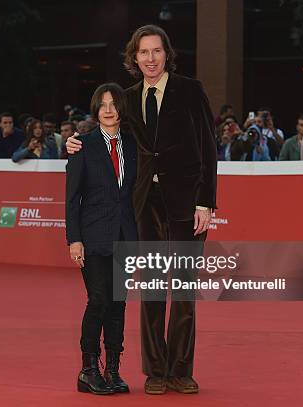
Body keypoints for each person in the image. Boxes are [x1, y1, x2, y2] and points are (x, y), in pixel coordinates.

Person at [66, 24, 217, 395]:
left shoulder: (190, 90)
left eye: (157, 51)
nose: (150, 59)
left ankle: (181, 369)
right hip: (142, 207)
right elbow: (106, 133)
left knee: (181, 290)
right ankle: (155, 370)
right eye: (143, 52)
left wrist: (206, 201)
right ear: (135, 58)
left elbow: (209, 147)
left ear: (167, 54)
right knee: (150, 289)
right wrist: (73, 142)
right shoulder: (128, 98)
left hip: (186, 204)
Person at [66, 83, 137, 395]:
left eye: (113, 104)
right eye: (102, 104)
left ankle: (113, 369)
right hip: (92, 236)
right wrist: (74, 239)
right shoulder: (81, 145)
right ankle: (88, 368)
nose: (108, 110)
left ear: (121, 108)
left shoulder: (133, 145)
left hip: (124, 235)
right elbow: (71, 198)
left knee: (118, 303)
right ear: (96, 110)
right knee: (98, 300)